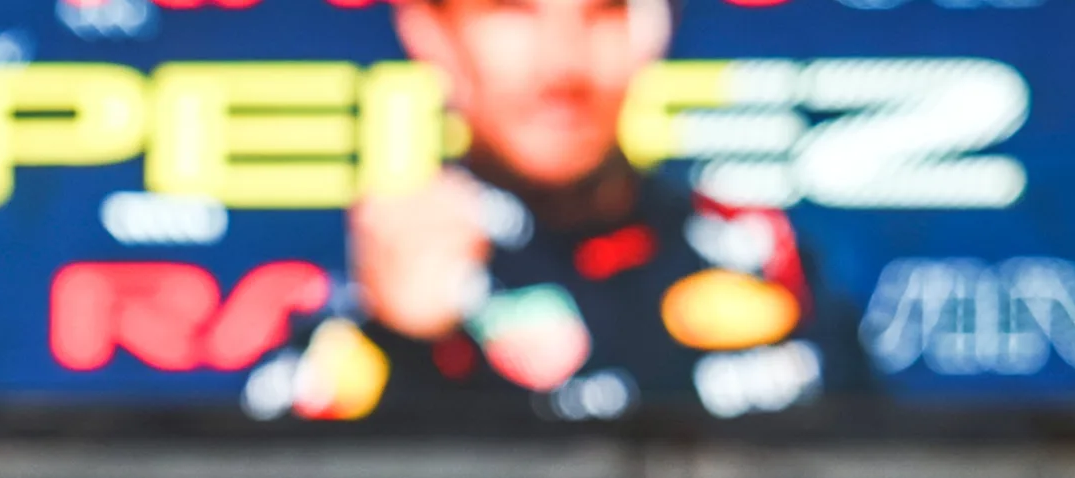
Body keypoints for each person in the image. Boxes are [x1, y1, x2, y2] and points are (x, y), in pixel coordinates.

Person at [254, 0, 856, 427]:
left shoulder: (763, 254)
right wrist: (404, 345)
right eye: (512, 10)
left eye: (604, 11)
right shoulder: (373, 290)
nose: (562, 66)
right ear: (429, 29)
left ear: (657, 28)